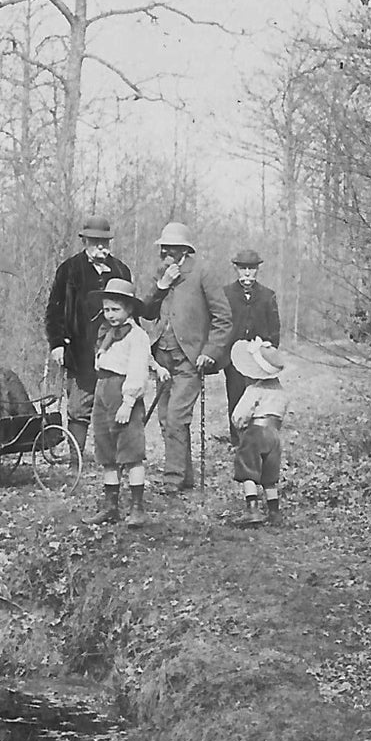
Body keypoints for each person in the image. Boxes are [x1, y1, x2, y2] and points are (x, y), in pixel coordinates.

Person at [137, 222, 233, 494]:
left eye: (173, 248)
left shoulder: (202, 273)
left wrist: (209, 352)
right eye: (164, 248)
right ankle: (185, 476)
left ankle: (173, 479)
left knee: (177, 418)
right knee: (166, 419)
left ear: (185, 250)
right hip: (162, 357)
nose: (167, 253)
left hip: (190, 359)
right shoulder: (160, 274)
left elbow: (223, 318)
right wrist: (161, 285)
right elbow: (146, 312)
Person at [45, 216, 133, 458]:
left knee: (115, 406)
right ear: (84, 241)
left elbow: (131, 312)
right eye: (95, 241)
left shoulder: (121, 271)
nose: (101, 247)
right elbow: (54, 311)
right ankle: (76, 462)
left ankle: (115, 460)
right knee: (78, 409)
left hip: (116, 351)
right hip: (79, 351)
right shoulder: (69, 269)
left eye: (105, 242)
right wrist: (57, 344)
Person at [82, 279, 154, 528]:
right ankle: (111, 506)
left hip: (123, 392)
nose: (110, 315)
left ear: (129, 309)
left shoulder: (137, 336)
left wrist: (128, 402)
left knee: (130, 452)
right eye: (107, 309)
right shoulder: (107, 333)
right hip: (103, 389)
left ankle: (137, 508)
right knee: (107, 452)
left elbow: (137, 369)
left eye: (116, 310)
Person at [223, 248, 282, 448]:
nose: (247, 273)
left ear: (258, 270)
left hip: (259, 357)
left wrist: (268, 348)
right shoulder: (226, 294)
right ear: (236, 269)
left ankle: (258, 439)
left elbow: (274, 328)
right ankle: (237, 441)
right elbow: (220, 324)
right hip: (234, 357)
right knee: (236, 395)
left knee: (259, 396)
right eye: (243, 269)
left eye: (251, 269)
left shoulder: (267, 295)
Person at [228, 338, 290, 526]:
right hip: (274, 434)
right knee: (270, 475)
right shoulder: (281, 392)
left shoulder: (254, 390)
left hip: (255, 432)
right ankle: (274, 512)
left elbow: (239, 415)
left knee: (248, 469)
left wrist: (240, 426)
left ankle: (252, 509)